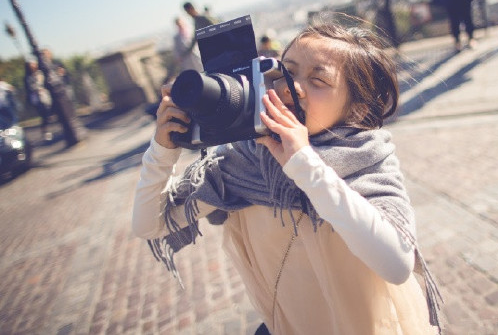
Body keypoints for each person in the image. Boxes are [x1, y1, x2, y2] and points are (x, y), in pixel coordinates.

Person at [132, 19, 442, 334]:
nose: (291, 87)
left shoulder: (365, 158)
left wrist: (303, 164)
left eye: (317, 79)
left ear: (358, 109)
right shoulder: (245, 161)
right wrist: (161, 152)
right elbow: (150, 224)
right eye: (287, 71)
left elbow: (397, 264)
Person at [24, 59, 53, 141]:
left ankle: (45, 129)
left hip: (44, 95)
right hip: (36, 98)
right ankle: (45, 131)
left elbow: (44, 82)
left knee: (48, 112)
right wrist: (36, 89)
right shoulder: (28, 77)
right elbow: (29, 87)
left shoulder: (39, 73)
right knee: (44, 114)